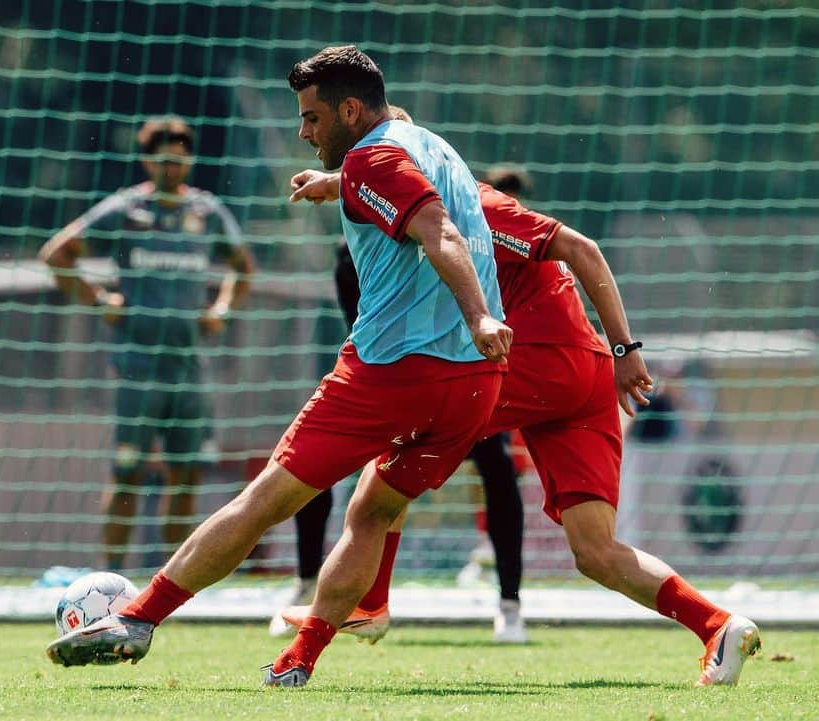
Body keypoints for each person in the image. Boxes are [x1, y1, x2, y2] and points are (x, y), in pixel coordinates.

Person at [44, 45, 513, 684]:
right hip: (473, 387)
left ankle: (140, 617)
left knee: (263, 500)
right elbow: (424, 195)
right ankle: (300, 660)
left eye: (313, 118)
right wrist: (335, 182)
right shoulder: (429, 144)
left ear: (352, 111)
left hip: (392, 373)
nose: (303, 131)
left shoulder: (373, 157)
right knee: (371, 514)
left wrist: (480, 314)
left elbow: (439, 231)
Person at [280, 147, 761, 687]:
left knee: (385, 473)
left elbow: (582, 247)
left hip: (540, 363)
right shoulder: (422, 208)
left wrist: (629, 350)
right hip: (583, 376)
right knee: (597, 551)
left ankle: (342, 623)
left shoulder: (474, 209)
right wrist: (334, 181)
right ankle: (718, 626)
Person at [269, 160, 527, 644]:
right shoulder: (354, 253)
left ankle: (509, 604)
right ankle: (313, 582)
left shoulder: (454, 229)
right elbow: (362, 329)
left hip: (460, 378)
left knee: (497, 464)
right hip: (390, 383)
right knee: (314, 467)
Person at [39, 116, 255, 571]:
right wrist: (100, 300)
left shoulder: (207, 212)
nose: (171, 169)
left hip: (189, 367)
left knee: (187, 475)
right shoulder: (124, 210)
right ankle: (111, 579)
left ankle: (174, 580)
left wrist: (221, 309)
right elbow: (57, 253)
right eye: (162, 160)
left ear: (190, 160)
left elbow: (243, 267)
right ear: (146, 161)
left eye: (179, 160)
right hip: (137, 366)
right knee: (127, 473)